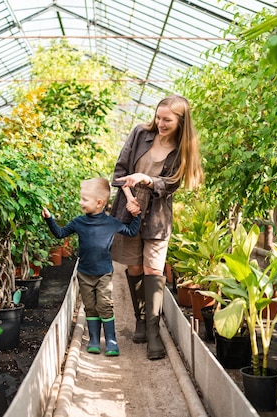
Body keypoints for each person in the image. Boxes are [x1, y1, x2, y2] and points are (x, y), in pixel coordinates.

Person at [110, 94, 204, 360]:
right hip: (129, 211)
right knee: (135, 267)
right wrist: (130, 200)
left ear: (181, 122)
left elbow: (171, 183)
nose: (160, 123)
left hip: (157, 216)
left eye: (167, 120)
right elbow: (119, 173)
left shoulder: (181, 150)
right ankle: (140, 321)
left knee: (153, 269)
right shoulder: (140, 134)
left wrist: (147, 180)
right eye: (158, 117)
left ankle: (153, 331)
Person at [42, 177, 141, 356]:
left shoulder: (111, 223)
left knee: (104, 304)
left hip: (104, 272)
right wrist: (50, 219)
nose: (80, 202)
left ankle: (111, 340)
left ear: (99, 202)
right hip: (84, 273)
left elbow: (131, 231)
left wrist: (137, 215)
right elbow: (60, 233)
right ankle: (94, 339)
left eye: (84, 199)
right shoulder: (78, 222)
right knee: (90, 306)